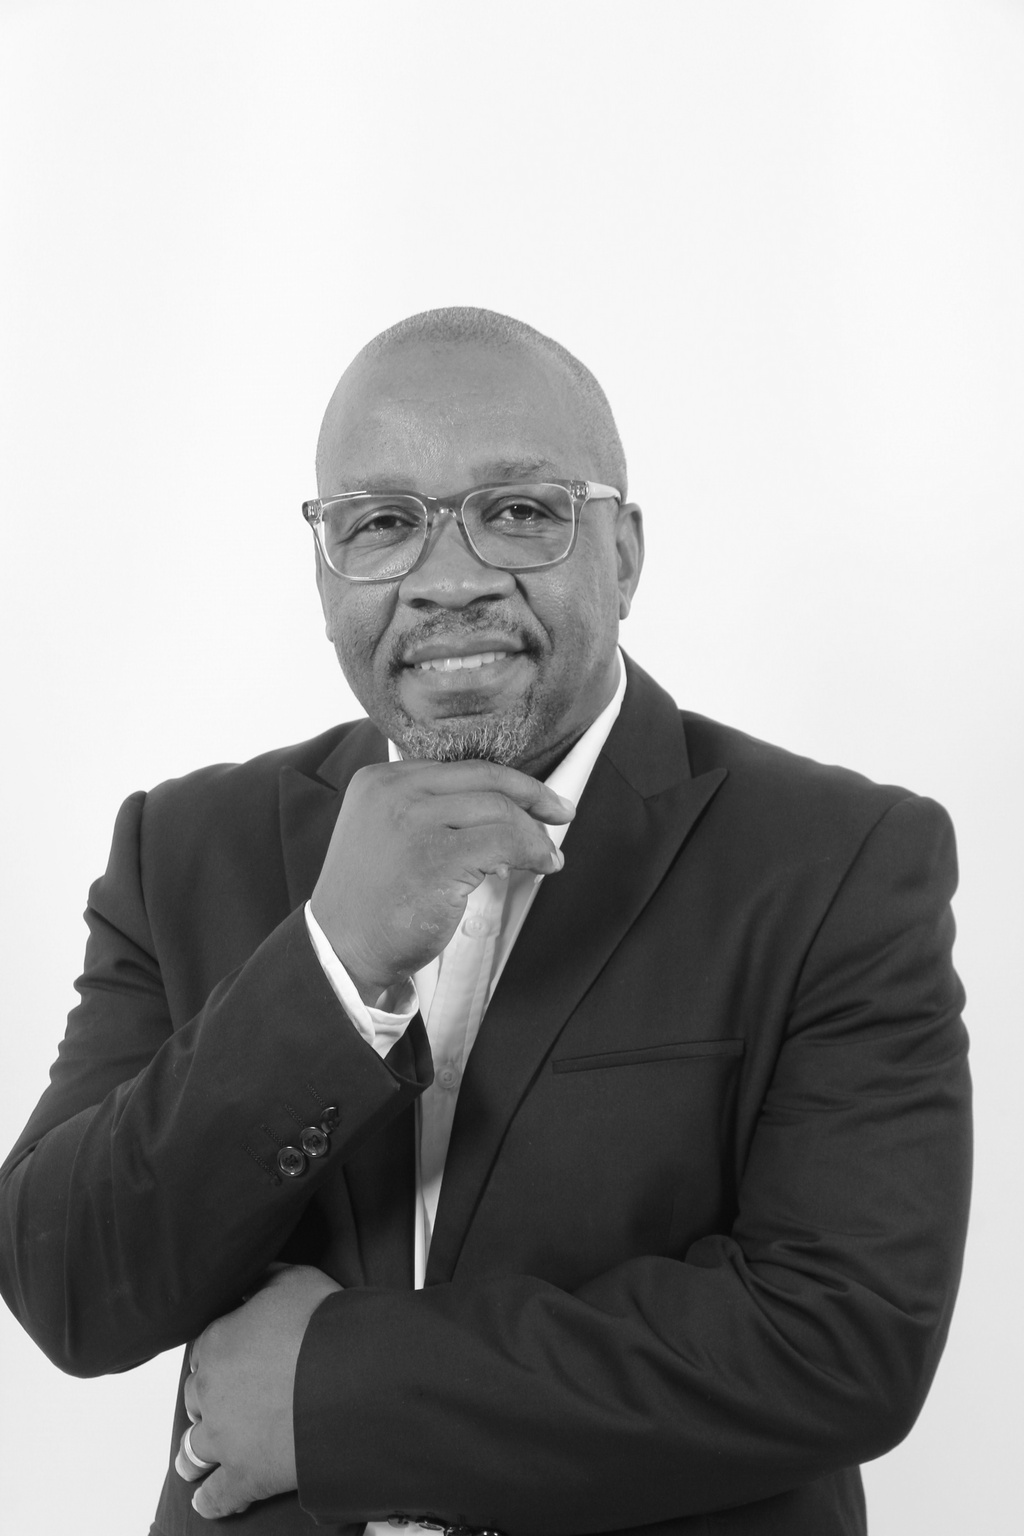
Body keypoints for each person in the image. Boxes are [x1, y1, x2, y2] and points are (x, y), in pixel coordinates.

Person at [0, 308, 971, 1536]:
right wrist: (332, 966)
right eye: (381, 523)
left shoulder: (835, 860)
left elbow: (838, 1342)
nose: (448, 579)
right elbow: (70, 1285)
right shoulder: (183, 849)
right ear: (324, 572)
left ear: (623, 554)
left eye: (517, 511)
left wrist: (332, 1394)